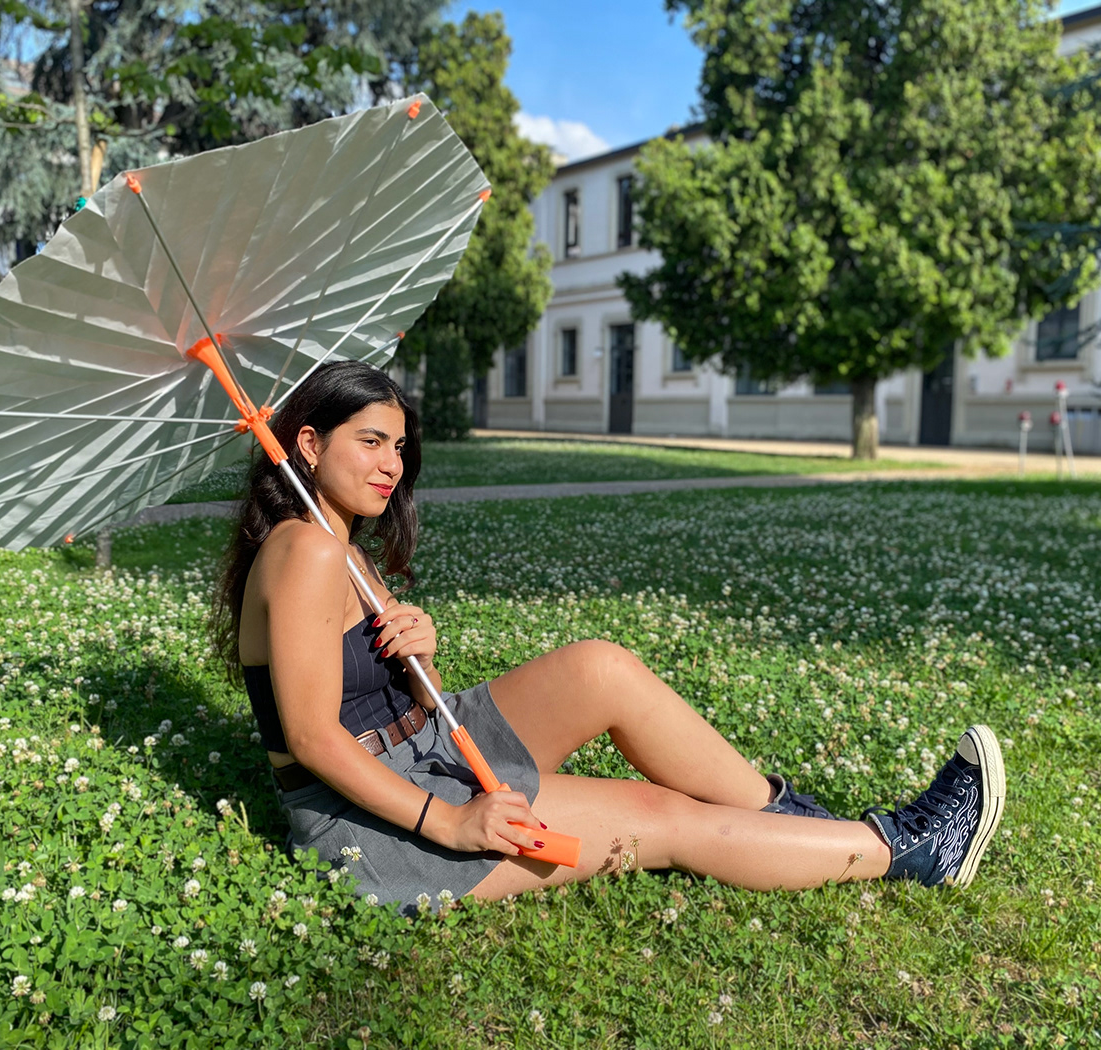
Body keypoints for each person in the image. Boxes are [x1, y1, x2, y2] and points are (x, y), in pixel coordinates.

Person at [211, 361, 1006, 915]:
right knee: (657, 817)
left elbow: (369, 680)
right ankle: (908, 849)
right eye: (369, 441)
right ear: (308, 444)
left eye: (398, 443)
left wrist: (422, 646)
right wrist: (450, 823)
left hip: (420, 743)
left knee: (602, 669)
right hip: (368, 824)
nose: (393, 463)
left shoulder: (335, 541)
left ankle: (801, 828)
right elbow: (315, 738)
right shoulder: (307, 547)